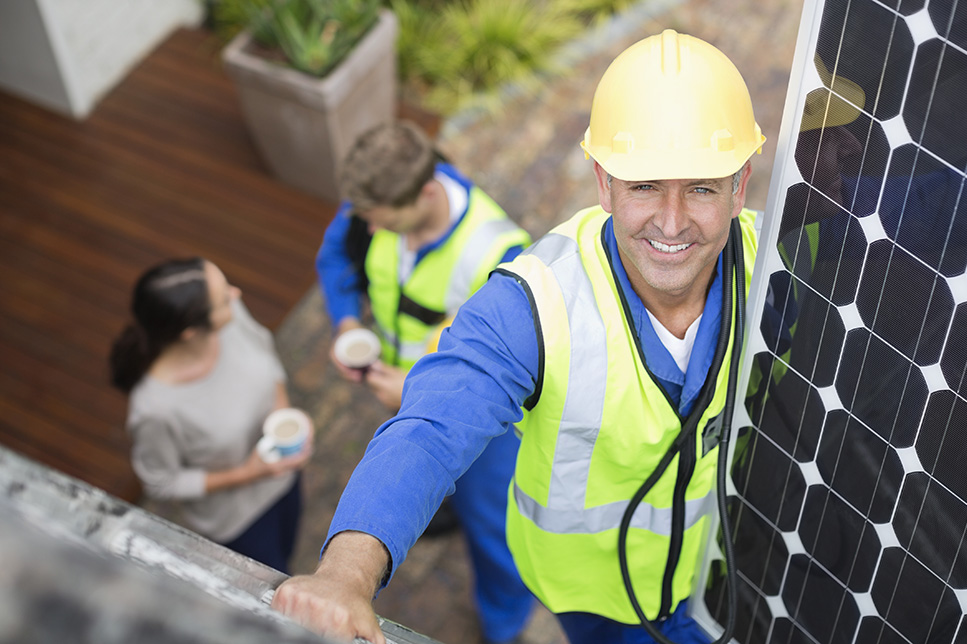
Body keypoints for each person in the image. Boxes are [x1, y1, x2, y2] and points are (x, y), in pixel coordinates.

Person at [273, 30, 765, 644]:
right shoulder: (535, 299)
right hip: (594, 596)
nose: (671, 222)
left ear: (740, 186)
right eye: (643, 186)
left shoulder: (779, 268)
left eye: (701, 187)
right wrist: (346, 575)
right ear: (603, 182)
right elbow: (432, 428)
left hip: (717, 572)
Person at [314, 120, 536, 644]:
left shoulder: (499, 253)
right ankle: (441, 506)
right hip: (402, 390)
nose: (369, 230)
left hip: (482, 425)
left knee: (495, 529)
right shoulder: (375, 202)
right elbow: (336, 257)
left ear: (426, 193)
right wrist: (347, 319)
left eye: (380, 221)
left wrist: (416, 393)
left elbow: (505, 365)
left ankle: (504, 625)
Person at [109, 257, 313, 574]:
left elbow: (263, 348)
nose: (237, 293)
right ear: (191, 332)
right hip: (237, 521)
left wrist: (284, 415)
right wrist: (248, 473)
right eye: (223, 298)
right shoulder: (154, 409)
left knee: (288, 547)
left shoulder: (230, 317)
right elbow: (161, 483)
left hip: (283, 478)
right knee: (274, 581)